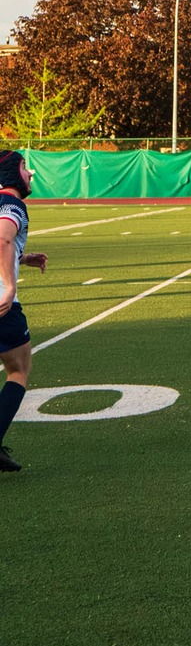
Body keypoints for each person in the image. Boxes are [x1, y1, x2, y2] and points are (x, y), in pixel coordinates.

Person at [0, 151, 46, 474]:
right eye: (24, 167)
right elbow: (3, 238)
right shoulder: (12, 204)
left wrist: (23, 258)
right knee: (19, 369)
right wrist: (9, 285)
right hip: (2, 304)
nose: (30, 173)